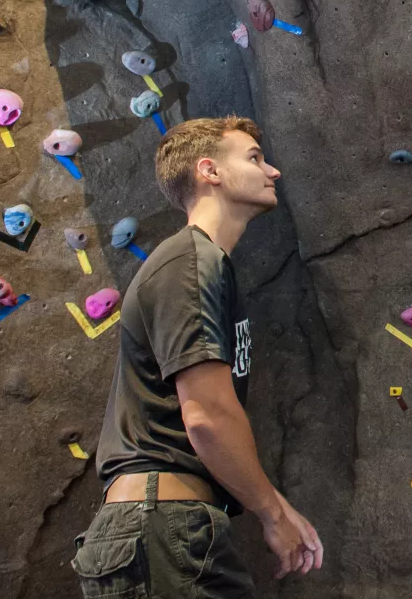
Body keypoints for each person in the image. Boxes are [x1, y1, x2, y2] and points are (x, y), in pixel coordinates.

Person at [71, 116, 323, 597]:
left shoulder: (206, 265)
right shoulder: (191, 261)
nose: (273, 172)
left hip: (168, 527)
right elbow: (206, 415)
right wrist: (272, 513)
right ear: (210, 171)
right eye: (253, 158)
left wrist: (275, 505)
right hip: (159, 528)